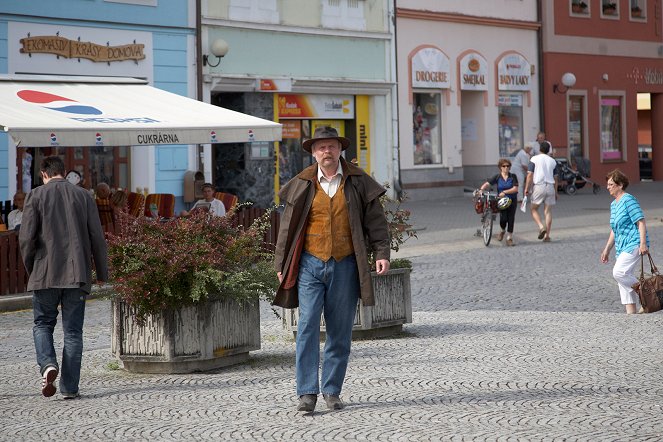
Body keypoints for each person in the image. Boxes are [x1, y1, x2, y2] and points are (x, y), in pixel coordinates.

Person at [273, 126, 390, 412]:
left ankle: (332, 390)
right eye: (321, 147)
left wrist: (382, 253)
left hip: (346, 264)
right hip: (310, 264)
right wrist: (280, 263)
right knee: (307, 325)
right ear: (313, 153)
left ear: (340, 150)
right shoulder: (302, 182)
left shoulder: (358, 181)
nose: (327, 151)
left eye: (332, 146)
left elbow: (376, 221)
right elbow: (287, 227)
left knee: (339, 331)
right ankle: (307, 392)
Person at [19, 156, 108, 399]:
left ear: (43, 174)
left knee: (42, 324)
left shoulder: (35, 196)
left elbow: (26, 239)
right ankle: (69, 388)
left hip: (44, 272)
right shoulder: (83, 196)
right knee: (73, 332)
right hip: (76, 273)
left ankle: (48, 365)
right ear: (64, 172)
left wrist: (32, 269)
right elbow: (97, 238)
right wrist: (101, 273)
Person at [600, 169, 649, 314]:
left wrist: (643, 243)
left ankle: (645, 292)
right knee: (623, 283)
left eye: (611, 184)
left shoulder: (628, 200)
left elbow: (641, 221)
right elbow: (614, 229)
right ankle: (631, 316)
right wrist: (607, 249)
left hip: (634, 242)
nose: (608, 187)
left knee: (619, 272)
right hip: (621, 246)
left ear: (620, 185)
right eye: (607, 184)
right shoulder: (613, 204)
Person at [524, 142, 558, 242]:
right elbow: (556, 178)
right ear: (549, 150)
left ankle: (541, 226)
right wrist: (556, 192)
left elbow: (530, 175)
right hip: (550, 186)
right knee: (547, 211)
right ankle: (547, 236)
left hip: (539, 186)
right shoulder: (553, 161)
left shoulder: (534, 159)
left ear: (540, 149)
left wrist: (527, 189)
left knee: (533, 209)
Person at [480, 159, 519, 246]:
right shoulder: (497, 177)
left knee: (511, 218)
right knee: (503, 218)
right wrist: (481, 189)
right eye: (504, 166)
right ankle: (502, 230)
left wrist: (505, 192)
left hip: (512, 200)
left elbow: (515, 189)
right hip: (502, 201)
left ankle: (509, 238)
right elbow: (487, 183)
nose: (506, 168)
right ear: (500, 167)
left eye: (508, 166)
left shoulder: (513, 176)